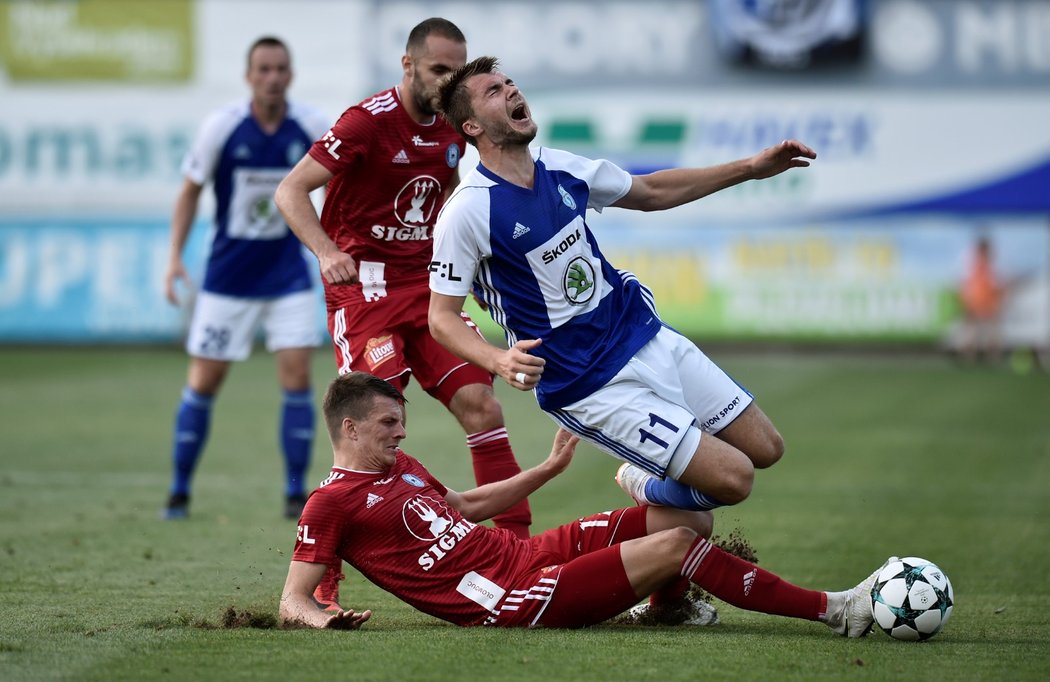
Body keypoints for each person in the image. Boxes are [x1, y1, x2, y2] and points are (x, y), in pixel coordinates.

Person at [428, 56, 813, 517]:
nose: (511, 91)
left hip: (640, 331)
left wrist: (750, 167)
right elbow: (441, 316)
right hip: (585, 381)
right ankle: (644, 484)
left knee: (766, 448)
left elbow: (650, 193)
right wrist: (498, 359)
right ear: (471, 126)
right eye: (493, 91)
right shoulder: (466, 211)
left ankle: (665, 550)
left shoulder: (560, 166)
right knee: (734, 479)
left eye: (510, 82)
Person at [278, 371, 890, 635]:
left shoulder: (401, 468)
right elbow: (293, 600)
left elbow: (463, 505)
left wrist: (546, 469)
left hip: (529, 554)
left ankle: (666, 610)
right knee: (677, 547)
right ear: (349, 429)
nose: (401, 433)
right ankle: (835, 609)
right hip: (512, 601)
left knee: (689, 518)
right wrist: (319, 617)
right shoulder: (329, 504)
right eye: (388, 423)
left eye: (400, 422)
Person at [274, 20, 531, 609]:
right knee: (363, 431)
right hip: (363, 292)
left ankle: (516, 550)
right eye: (440, 70)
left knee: (482, 404)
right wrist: (327, 249)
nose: (450, 82)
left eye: (457, 71)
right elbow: (291, 191)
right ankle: (319, 591)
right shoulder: (364, 122)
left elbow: (442, 196)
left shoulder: (454, 127)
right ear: (408, 65)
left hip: (425, 287)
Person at [162, 36, 330, 520]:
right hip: (226, 280)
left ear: (290, 75)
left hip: (288, 279)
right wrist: (174, 257)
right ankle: (178, 491)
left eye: (280, 68)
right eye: (264, 69)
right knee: (204, 382)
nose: (272, 77)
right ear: (249, 76)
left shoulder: (311, 126)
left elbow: (340, 185)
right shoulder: (223, 127)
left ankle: (295, 494)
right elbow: (189, 192)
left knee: (298, 379)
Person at [958, 235, 1004, 364]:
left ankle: (990, 357)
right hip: (977, 300)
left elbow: (996, 284)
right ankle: (970, 357)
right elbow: (965, 283)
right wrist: (966, 299)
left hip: (986, 300)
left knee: (990, 331)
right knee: (973, 331)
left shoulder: (990, 264)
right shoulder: (973, 263)